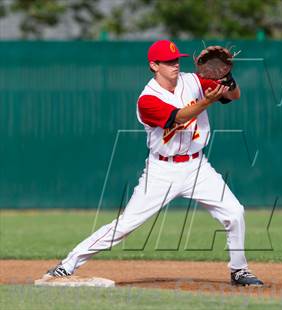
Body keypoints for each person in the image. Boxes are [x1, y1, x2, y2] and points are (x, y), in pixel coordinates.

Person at [46, 40, 263, 286]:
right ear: (154, 65)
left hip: (197, 166)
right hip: (162, 170)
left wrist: (228, 77)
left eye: (177, 60)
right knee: (125, 226)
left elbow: (234, 96)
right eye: (168, 62)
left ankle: (239, 270)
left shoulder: (192, 81)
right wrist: (206, 101)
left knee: (235, 212)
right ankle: (66, 265)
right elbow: (178, 118)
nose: (175, 65)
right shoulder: (147, 99)